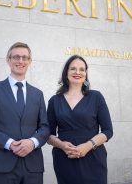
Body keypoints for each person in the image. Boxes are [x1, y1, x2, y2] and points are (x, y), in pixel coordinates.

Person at [0, 42, 50, 184]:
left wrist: (32, 142)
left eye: (24, 57)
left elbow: (45, 127)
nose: (20, 61)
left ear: (29, 61)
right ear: (8, 60)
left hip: (33, 167)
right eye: (16, 57)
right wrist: (9, 143)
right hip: (3, 166)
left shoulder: (37, 94)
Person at [47, 55, 113, 184]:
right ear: (66, 73)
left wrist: (87, 146)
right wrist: (62, 145)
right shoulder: (54, 101)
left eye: (82, 69)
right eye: (73, 69)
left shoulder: (96, 97)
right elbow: (48, 134)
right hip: (64, 158)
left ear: (86, 74)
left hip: (93, 157)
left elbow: (108, 131)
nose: (78, 72)